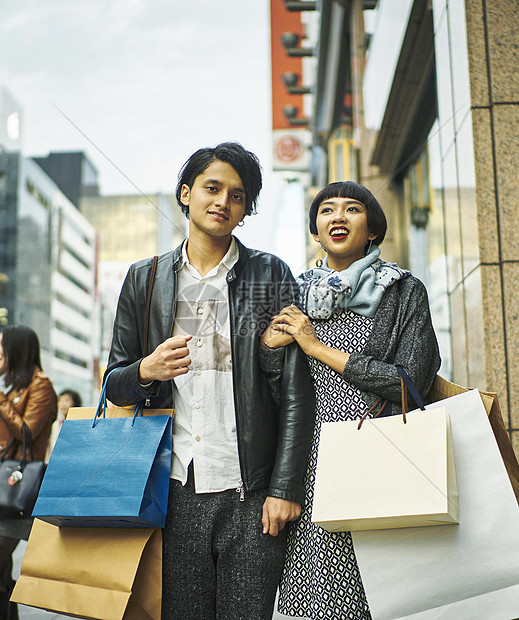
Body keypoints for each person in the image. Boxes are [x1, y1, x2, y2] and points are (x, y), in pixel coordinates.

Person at [104, 142, 315, 619]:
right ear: (186, 194)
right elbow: (113, 382)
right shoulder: (146, 278)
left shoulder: (268, 274)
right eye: (212, 188)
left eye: (237, 196)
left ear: (245, 211)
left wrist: (284, 487)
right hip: (173, 487)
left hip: (251, 490)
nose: (223, 202)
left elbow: (295, 391)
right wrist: (145, 370)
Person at [260, 181, 441, 619]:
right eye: (326, 211)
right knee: (320, 601)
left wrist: (318, 347)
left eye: (352, 209)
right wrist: (268, 349)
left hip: (384, 457)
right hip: (313, 469)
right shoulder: (293, 295)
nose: (338, 217)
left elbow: (410, 382)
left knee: (391, 593)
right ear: (316, 231)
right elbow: (272, 395)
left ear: (373, 230)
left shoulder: (402, 290)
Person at [0, 325, 57, 620]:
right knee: (1, 572)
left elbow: (27, 431)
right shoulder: (10, 385)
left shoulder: (40, 385)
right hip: (2, 481)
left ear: (17, 350)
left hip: (16, 486)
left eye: (2, 346)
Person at [45, 389, 82, 461]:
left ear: (75, 403)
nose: (62, 404)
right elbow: (51, 448)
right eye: (60, 400)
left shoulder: (79, 424)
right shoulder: (56, 424)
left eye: (67, 400)